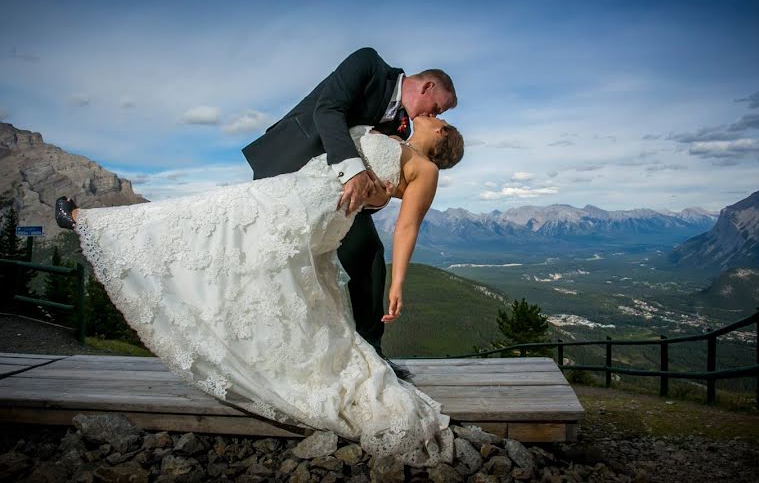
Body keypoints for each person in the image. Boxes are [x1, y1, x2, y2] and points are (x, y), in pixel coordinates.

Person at [54, 117, 464, 466]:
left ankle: (88, 221)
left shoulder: (425, 170)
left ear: (441, 132)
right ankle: (95, 225)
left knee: (212, 217)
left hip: (307, 208)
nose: (425, 115)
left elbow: (407, 226)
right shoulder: (394, 139)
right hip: (299, 194)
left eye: (435, 116)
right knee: (239, 253)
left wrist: (396, 284)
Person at [241, 47, 458, 380]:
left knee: (370, 255)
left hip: (343, 200)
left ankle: (372, 355)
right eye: (437, 108)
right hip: (295, 168)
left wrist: (379, 197)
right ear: (428, 87)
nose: (433, 114)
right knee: (278, 262)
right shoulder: (370, 64)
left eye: (437, 114)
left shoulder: (402, 130)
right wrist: (354, 171)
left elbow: (385, 178)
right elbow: (328, 110)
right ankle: (265, 352)